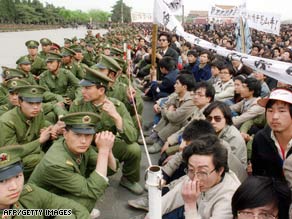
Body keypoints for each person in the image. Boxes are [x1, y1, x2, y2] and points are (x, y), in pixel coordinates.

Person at [70, 66, 143, 195]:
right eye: (83, 87)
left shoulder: (116, 106)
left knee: (134, 149)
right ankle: (85, 180)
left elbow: (132, 137)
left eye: (87, 88)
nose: (82, 91)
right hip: (86, 147)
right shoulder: (78, 105)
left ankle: (128, 179)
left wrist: (116, 117)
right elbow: (71, 133)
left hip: (108, 145)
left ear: (101, 90)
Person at [29, 112, 116, 212]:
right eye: (77, 134)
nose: (83, 141)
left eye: (88, 135)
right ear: (65, 134)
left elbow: (110, 169)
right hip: (38, 206)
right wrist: (103, 151)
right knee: (86, 200)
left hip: (58, 192)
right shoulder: (55, 163)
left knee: (96, 174)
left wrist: (108, 150)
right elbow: (94, 190)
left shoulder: (77, 146)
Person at [0, 146, 90, 219]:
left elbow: (75, 209)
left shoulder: (29, 194)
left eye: (17, 176)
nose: (14, 186)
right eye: (2, 181)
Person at [161, 137, 241, 219]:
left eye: (202, 172)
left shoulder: (229, 198)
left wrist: (190, 205)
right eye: (191, 169)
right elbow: (168, 200)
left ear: (220, 170)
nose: (195, 179)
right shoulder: (194, 174)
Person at [0, 85, 62, 179]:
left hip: (33, 150)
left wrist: (50, 134)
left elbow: (41, 132)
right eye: (30, 103)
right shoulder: (7, 121)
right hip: (10, 159)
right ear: (20, 102)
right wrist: (40, 141)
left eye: (38, 103)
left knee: (60, 144)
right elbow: (12, 153)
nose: (36, 107)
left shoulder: (38, 113)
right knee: (38, 159)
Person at [143, 74, 195, 153]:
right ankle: (155, 135)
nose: (174, 85)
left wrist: (168, 111)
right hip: (174, 118)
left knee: (175, 121)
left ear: (184, 87)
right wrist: (167, 110)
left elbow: (175, 117)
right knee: (168, 115)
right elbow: (165, 105)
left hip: (186, 127)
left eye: (177, 83)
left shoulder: (190, 101)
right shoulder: (178, 95)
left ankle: (161, 141)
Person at [252, 88, 292, 179]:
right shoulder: (260, 138)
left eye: (282, 111)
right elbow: (257, 175)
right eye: (270, 111)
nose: (275, 117)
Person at [203, 101, 247, 165]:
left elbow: (231, 165)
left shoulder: (234, 137)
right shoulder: (209, 130)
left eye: (217, 118)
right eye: (209, 118)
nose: (212, 122)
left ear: (226, 119)